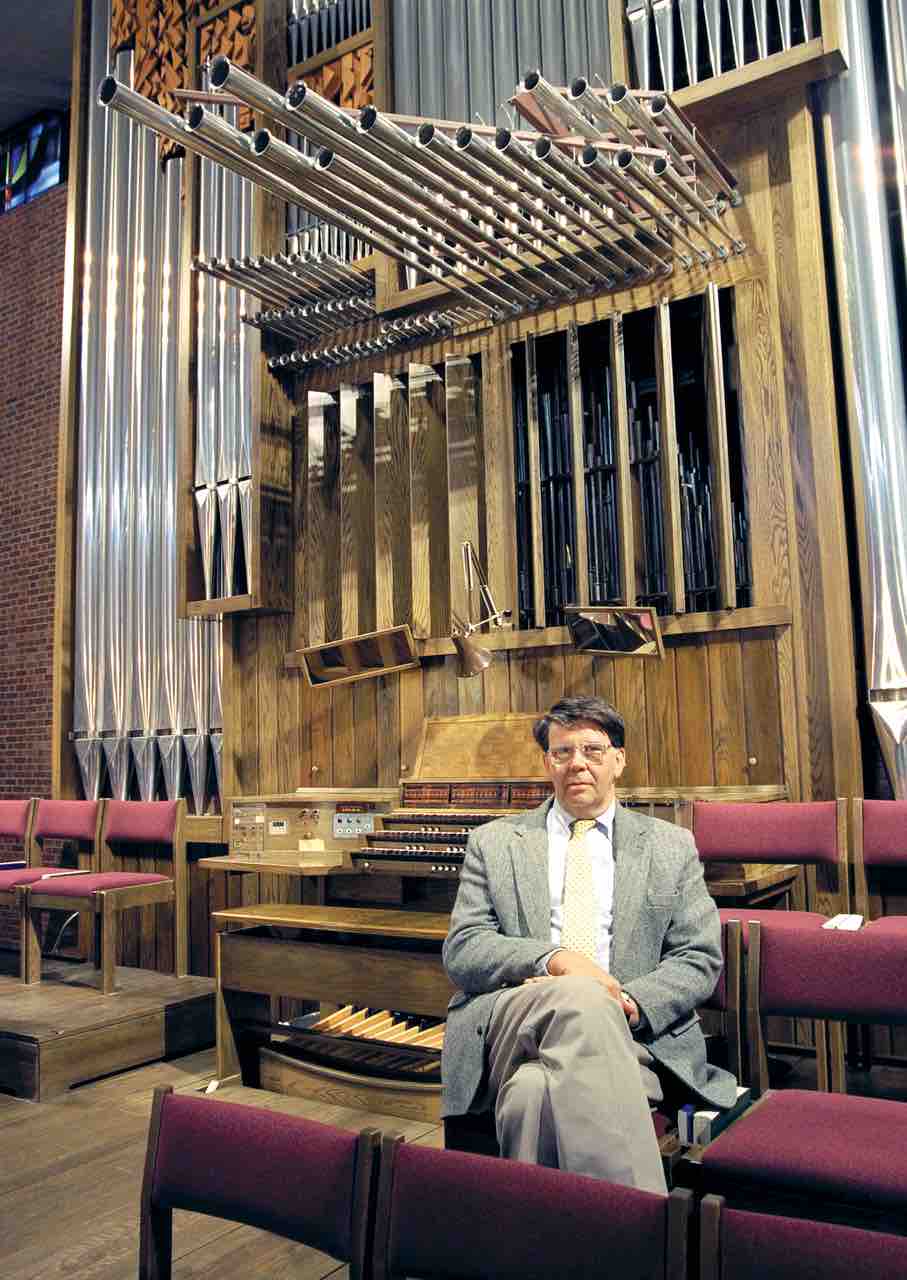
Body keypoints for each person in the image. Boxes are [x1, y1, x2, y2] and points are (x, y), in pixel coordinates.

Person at [441, 695, 736, 1194]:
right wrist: (555, 960)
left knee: (531, 1095)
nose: (577, 763)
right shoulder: (494, 842)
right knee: (577, 993)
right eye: (562, 752)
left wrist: (629, 1003)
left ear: (618, 760)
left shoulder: (669, 846)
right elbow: (465, 948)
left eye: (593, 750)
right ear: (546, 763)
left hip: (630, 1033)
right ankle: (643, 1233)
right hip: (516, 1019)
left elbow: (698, 956)